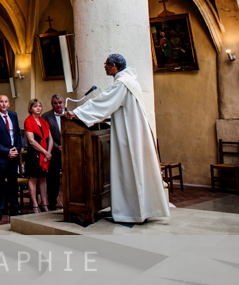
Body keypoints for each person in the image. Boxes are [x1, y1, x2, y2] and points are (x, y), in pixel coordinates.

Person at [65, 53, 170, 223]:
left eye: (106, 64)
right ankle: (139, 209)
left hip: (128, 134)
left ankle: (131, 212)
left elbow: (102, 102)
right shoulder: (131, 82)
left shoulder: (122, 84)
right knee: (135, 168)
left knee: (129, 167)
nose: (104, 67)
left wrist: (76, 112)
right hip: (133, 130)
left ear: (113, 66)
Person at [0, 94, 23, 220]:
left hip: (14, 155)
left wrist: (16, 149)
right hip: (0, 157)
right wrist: (7, 151)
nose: (4, 104)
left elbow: (17, 133)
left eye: (6, 102)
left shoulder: (13, 115)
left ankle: (14, 208)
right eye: (1, 102)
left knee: (13, 183)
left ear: (9, 104)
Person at [24, 99, 53, 213]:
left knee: (43, 178)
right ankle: (35, 205)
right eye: (35, 106)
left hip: (45, 154)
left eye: (40, 106)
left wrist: (48, 153)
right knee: (33, 178)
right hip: (34, 154)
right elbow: (31, 141)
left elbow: (50, 138)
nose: (38, 108)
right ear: (31, 109)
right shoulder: (29, 121)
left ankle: (44, 203)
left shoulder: (44, 121)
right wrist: (45, 152)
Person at [41, 94, 65, 210]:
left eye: (60, 102)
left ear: (63, 103)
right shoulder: (46, 116)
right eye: (55, 103)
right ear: (52, 104)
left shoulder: (70, 114)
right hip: (54, 152)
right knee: (53, 179)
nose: (58, 105)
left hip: (70, 152)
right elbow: (46, 135)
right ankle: (52, 203)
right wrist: (56, 146)